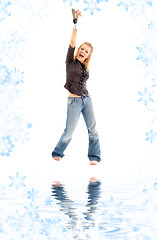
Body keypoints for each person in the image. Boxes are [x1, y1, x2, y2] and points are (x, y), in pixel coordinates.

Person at [52, 9, 101, 165]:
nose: (83, 51)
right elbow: (72, 43)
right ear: (78, 50)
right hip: (74, 102)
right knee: (69, 132)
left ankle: (94, 157)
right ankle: (57, 152)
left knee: (93, 130)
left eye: (86, 51)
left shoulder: (85, 67)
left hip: (87, 99)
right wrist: (75, 25)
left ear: (87, 55)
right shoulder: (70, 62)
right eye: (82, 49)